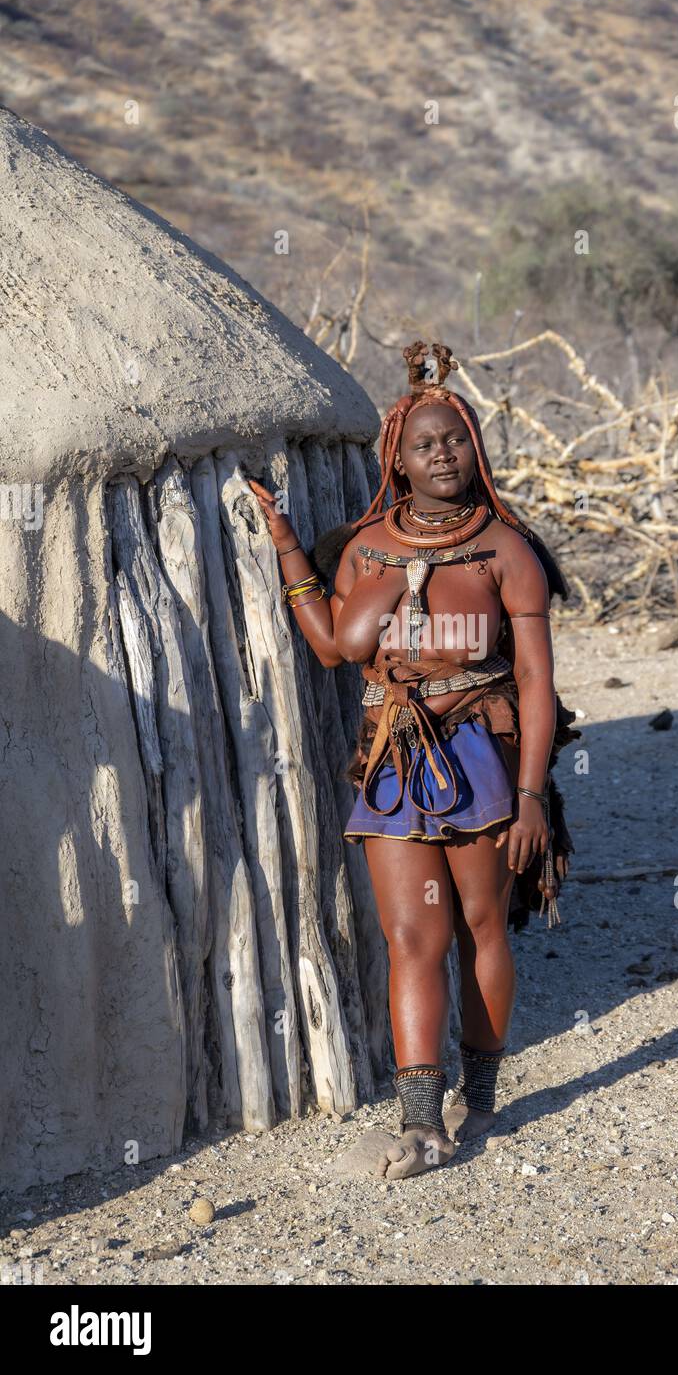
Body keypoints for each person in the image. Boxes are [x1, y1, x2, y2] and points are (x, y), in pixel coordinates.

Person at [248, 341, 579, 1180]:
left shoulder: (506, 551)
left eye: (456, 439)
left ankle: (487, 1096)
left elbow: (538, 681)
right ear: (396, 458)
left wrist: (535, 794)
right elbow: (330, 647)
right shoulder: (365, 549)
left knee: (479, 928)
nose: (443, 454)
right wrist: (289, 543)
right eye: (424, 444)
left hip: (483, 756)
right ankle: (423, 1122)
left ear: (476, 448)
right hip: (394, 758)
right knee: (410, 937)